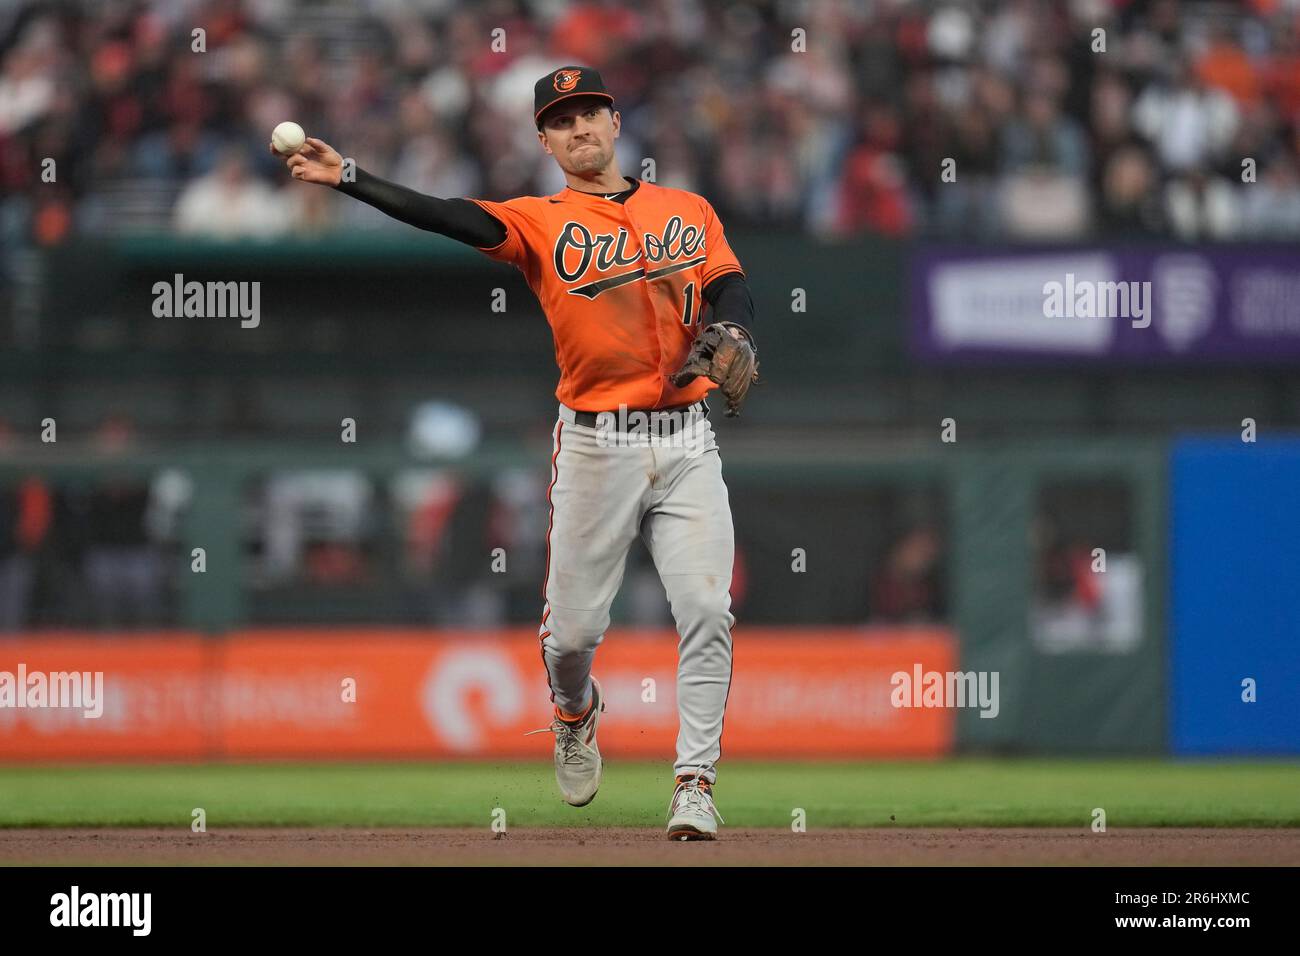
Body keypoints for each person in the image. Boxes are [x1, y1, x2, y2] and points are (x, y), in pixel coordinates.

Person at [276, 66, 758, 840]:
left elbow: (730, 286)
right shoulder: (539, 220)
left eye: (590, 113)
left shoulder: (687, 208)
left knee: (706, 610)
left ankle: (695, 785)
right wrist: (352, 178)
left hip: (686, 439)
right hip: (597, 444)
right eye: (562, 121)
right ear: (544, 140)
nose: (580, 129)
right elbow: (451, 217)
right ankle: (574, 712)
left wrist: (735, 330)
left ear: (615, 121)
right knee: (569, 641)